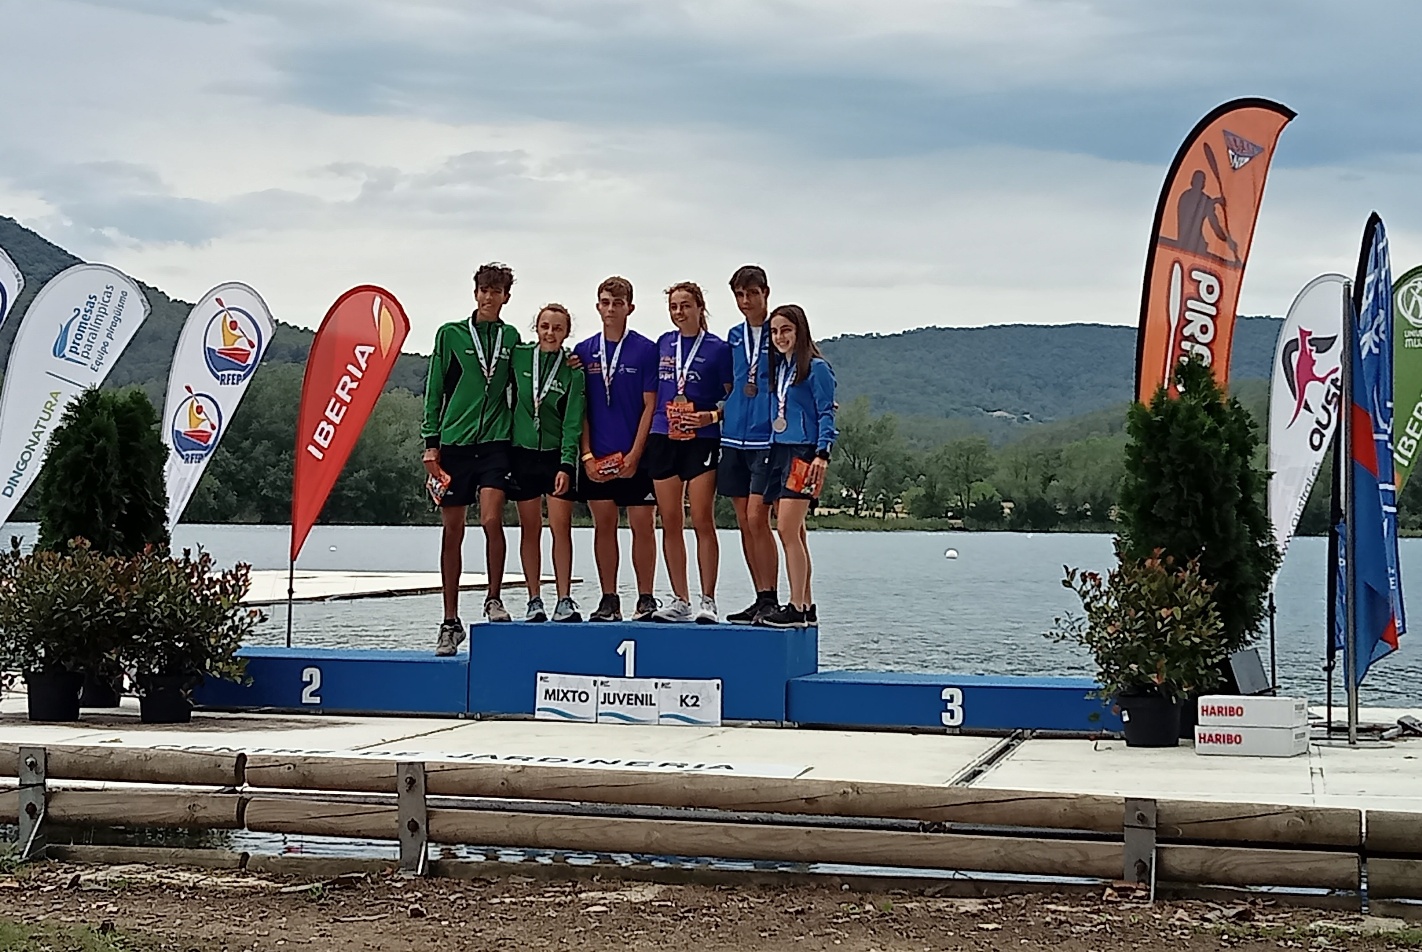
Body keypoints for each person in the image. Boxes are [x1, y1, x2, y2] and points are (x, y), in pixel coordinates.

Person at [422, 262, 522, 656]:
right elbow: (434, 390)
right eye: (483, 290)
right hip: (454, 445)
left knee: (492, 518)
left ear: (505, 297)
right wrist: (431, 443)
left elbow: (528, 374)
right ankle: (450, 622)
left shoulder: (511, 337)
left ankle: (493, 598)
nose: (488, 297)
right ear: (475, 292)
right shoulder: (451, 335)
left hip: (496, 442)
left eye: (495, 291)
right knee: (453, 531)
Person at [573, 276, 661, 622]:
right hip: (598, 455)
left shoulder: (645, 349)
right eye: (605, 302)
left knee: (643, 525)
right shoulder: (583, 351)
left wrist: (636, 455)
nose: (611, 309)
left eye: (618, 303)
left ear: (630, 308)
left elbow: (650, 405)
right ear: (597, 306)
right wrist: (587, 456)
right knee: (603, 526)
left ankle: (646, 598)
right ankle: (609, 599)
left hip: (635, 454)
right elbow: (578, 410)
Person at [645, 282, 732, 623]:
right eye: (674, 306)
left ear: (700, 308)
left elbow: (734, 398)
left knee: (702, 519)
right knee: (670, 521)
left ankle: (707, 600)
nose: (679, 312)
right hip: (663, 434)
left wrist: (710, 415)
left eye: (685, 305)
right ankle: (680, 599)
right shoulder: (663, 344)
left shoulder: (718, 348)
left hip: (702, 438)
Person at [760, 304, 836, 629]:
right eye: (775, 331)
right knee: (798, 533)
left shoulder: (816, 368)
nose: (780, 337)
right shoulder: (780, 369)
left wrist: (822, 453)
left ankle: (794, 605)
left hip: (805, 452)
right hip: (779, 450)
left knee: (787, 530)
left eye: (786, 330)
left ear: (799, 330)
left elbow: (826, 412)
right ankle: (805, 604)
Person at [509, 303, 587, 623]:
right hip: (522, 453)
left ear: (566, 332)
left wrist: (567, 464)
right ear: (536, 329)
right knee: (530, 529)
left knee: (561, 529)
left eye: (557, 328)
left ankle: (564, 599)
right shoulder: (520, 357)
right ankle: (533, 599)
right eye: (545, 327)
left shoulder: (573, 370)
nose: (550, 333)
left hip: (556, 456)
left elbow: (573, 422)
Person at [718, 265, 779, 625]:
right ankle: (760, 597)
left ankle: (772, 595)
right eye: (739, 295)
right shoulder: (734, 336)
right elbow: (729, 383)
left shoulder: (780, 331)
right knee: (743, 521)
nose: (745, 301)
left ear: (765, 293)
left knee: (759, 518)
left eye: (752, 294)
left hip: (767, 437)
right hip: (733, 437)